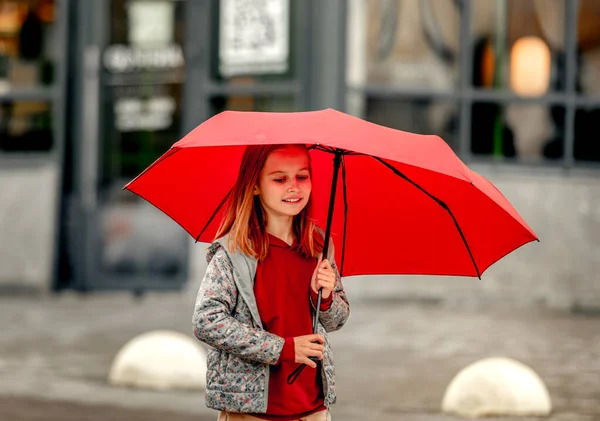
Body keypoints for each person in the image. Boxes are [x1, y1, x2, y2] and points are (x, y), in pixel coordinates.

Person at [192, 144, 350, 421]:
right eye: (280, 179)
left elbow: (336, 320)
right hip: (253, 409)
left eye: (302, 176)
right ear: (254, 186)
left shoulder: (319, 246)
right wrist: (283, 349)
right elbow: (207, 321)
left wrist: (325, 297)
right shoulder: (234, 252)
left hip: (312, 406)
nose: (294, 187)